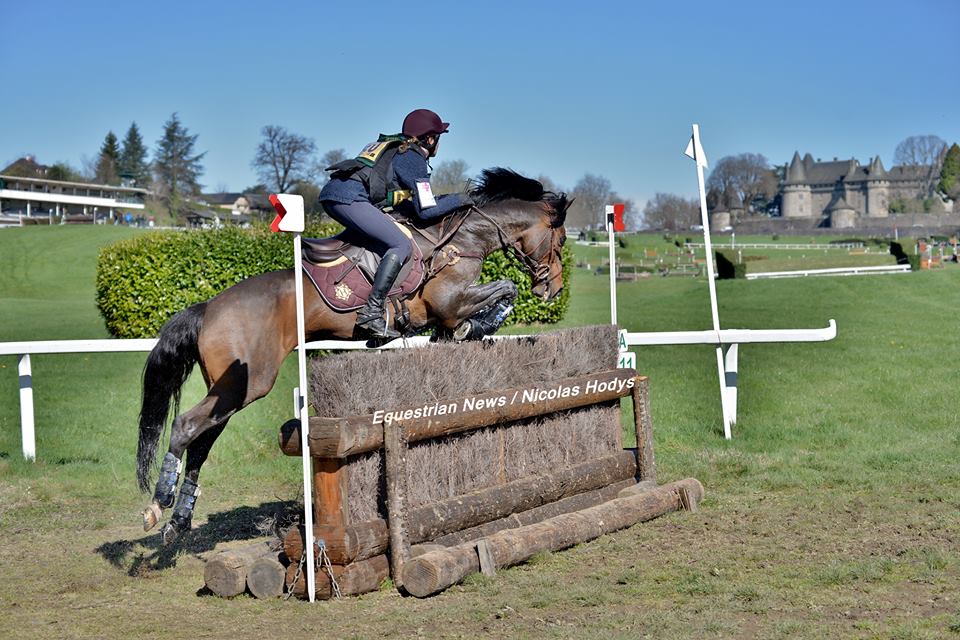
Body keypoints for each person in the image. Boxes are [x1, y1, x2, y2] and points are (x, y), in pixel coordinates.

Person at [319, 109, 472, 339]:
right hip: (350, 198)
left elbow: (414, 204)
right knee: (401, 245)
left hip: (338, 195)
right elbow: (426, 210)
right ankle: (371, 313)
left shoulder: (398, 149)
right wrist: (462, 198)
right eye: (438, 138)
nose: (438, 144)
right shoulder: (412, 157)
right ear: (430, 139)